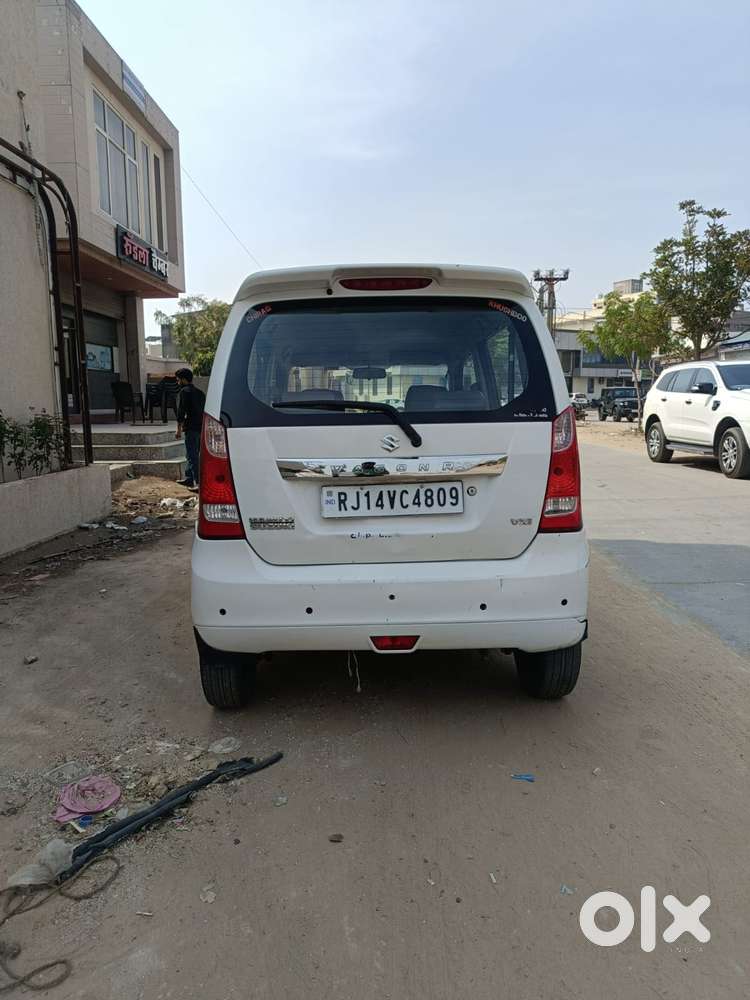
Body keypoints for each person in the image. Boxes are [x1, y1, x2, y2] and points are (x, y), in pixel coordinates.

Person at [175, 368, 205, 488]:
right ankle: (189, 478)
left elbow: (181, 412)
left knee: (192, 456)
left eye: (178, 380)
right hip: (200, 427)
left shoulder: (184, 392)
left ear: (183, 380)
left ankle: (198, 483)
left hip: (191, 428)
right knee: (191, 453)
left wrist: (178, 429)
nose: (177, 382)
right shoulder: (200, 393)